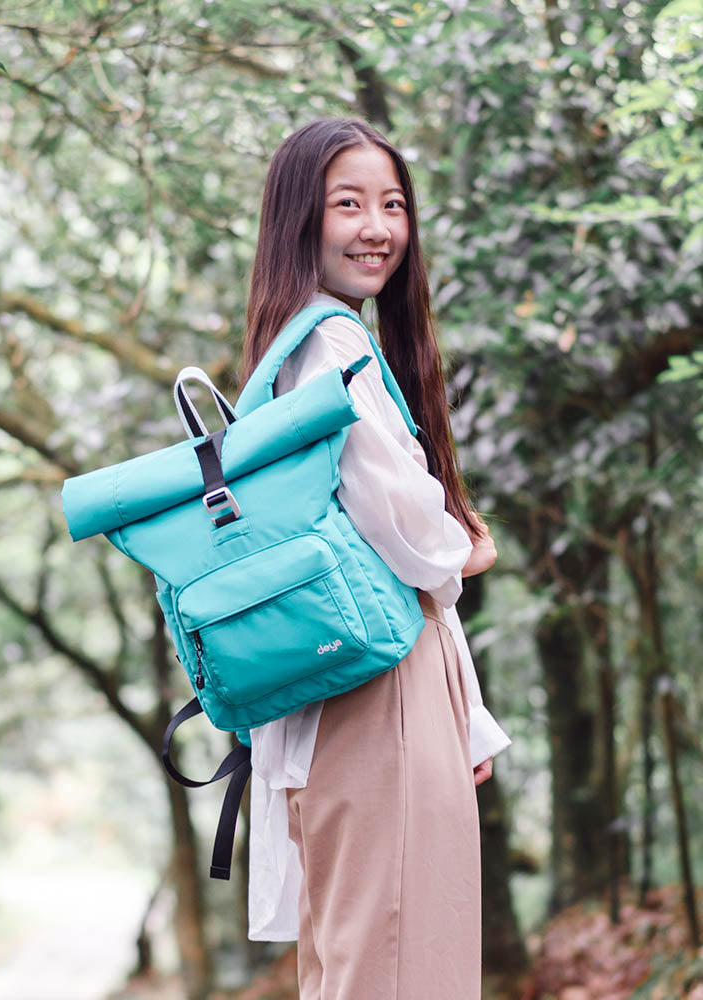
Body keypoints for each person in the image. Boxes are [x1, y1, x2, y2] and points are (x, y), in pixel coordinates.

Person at [242, 118, 512, 999]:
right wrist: (469, 545)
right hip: (382, 688)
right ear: (299, 220)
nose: (378, 229)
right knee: (405, 965)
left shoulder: (287, 346)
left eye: (393, 205)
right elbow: (403, 523)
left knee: (358, 962)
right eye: (348, 204)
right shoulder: (332, 343)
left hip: (343, 690)